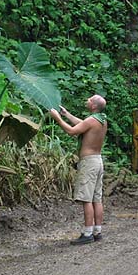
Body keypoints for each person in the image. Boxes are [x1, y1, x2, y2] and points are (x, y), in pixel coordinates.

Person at [49, 94, 108, 245]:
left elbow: (72, 131)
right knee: (97, 198)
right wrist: (66, 114)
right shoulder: (101, 119)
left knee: (86, 198)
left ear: (94, 106)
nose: (87, 99)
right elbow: (82, 124)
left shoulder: (91, 120)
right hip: (98, 161)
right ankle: (97, 231)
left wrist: (58, 118)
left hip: (89, 163)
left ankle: (87, 233)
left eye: (90, 99)